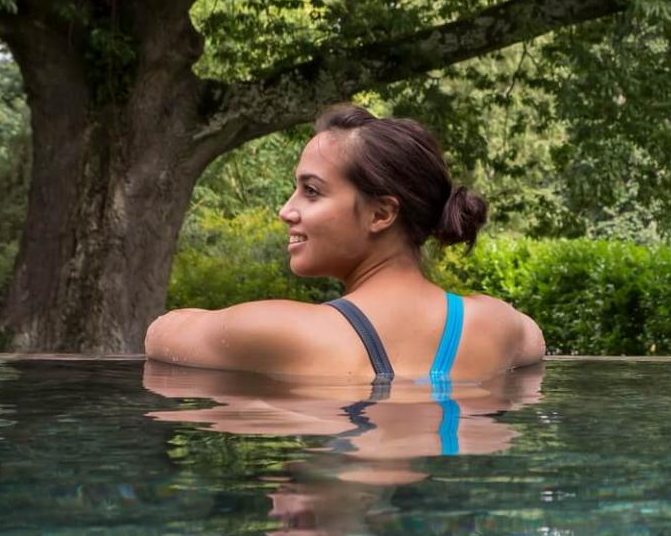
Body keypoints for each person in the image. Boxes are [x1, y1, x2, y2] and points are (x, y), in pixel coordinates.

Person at [144, 104, 545, 380]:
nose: (286, 211)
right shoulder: (498, 324)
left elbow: (161, 334)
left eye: (311, 191)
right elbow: (535, 344)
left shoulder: (285, 332)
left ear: (381, 214)